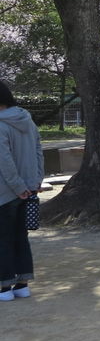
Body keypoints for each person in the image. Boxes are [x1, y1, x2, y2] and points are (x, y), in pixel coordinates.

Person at [0, 81, 44, 302]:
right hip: (29, 189)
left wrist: (17, 187)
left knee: (3, 239)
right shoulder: (28, 120)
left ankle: (4, 287)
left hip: (6, 192)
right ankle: (22, 284)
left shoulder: (0, 125)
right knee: (21, 237)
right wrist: (35, 182)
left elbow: (4, 162)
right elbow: (38, 151)